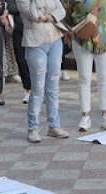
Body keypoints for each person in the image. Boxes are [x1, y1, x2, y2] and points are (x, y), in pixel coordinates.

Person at [20, 0, 66, 142]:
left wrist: (48, 17)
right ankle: (33, 128)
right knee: (38, 87)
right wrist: (47, 15)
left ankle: (54, 125)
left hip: (55, 40)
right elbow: (32, 14)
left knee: (53, 87)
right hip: (35, 43)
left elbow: (61, 10)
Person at [65, 0, 106, 131]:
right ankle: (85, 115)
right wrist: (70, 31)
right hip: (82, 38)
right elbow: (67, 12)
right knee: (84, 78)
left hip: (104, 36)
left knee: (104, 78)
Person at [6, 0, 28, 102]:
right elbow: (11, 7)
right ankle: (28, 89)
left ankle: (41, 89)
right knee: (21, 60)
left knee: (36, 62)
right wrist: (26, 7)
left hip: (36, 31)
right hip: (19, 29)